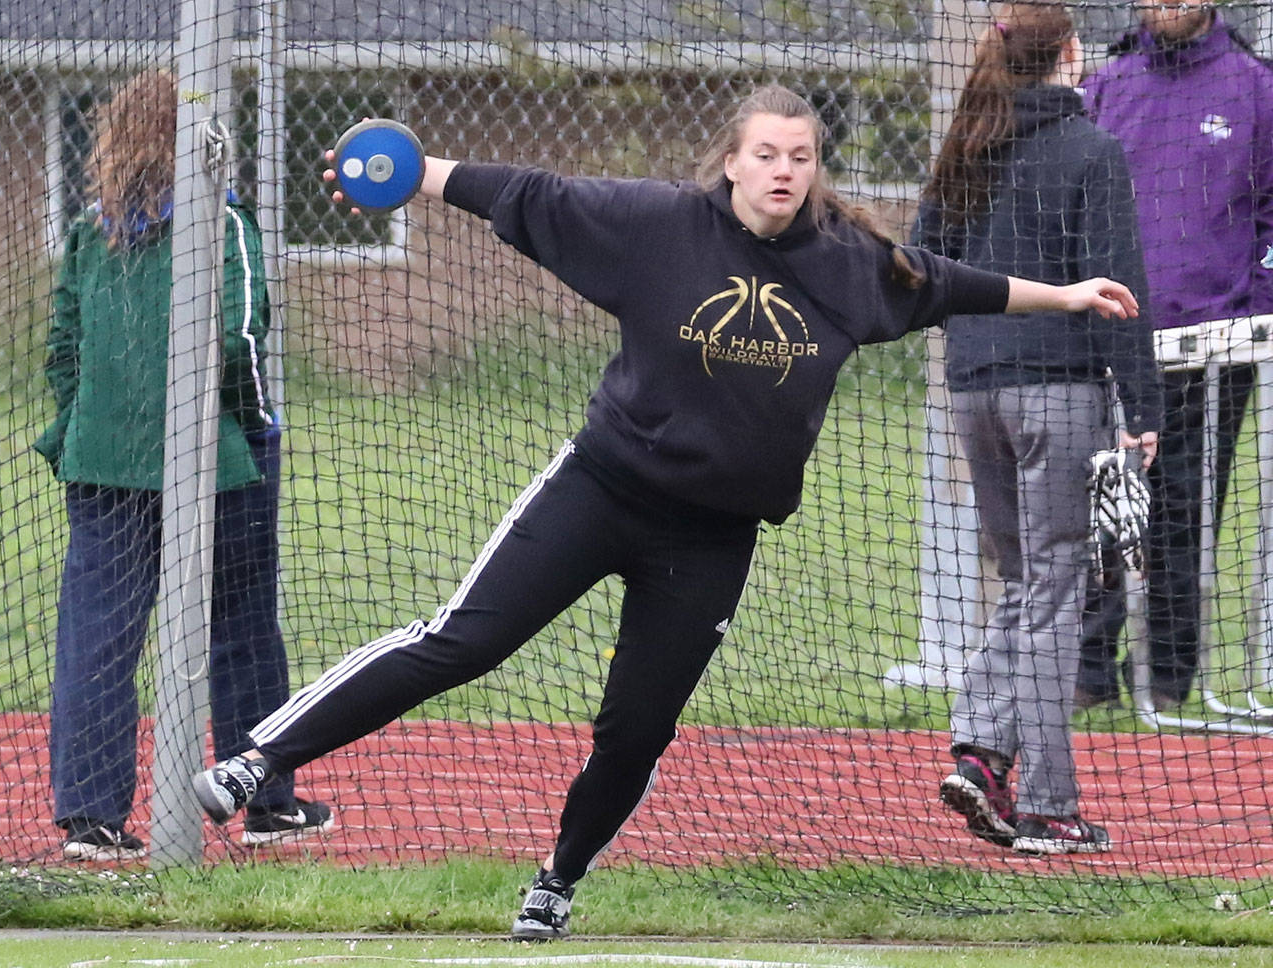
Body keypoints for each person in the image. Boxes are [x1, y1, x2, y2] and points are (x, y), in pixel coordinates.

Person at [190, 83, 1142, 937]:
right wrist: (410, 168)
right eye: (766, 153)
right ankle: (256, 760)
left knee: (637, 728)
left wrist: (1065, 294)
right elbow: (531, 195)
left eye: (801, 157)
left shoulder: (854, 266)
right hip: (602, 489)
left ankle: (557, 879)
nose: (783, 170)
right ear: (731, 161)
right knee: (462, 641)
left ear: (815, 171)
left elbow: (946, 284)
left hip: (713, 538)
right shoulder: (654, 226)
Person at [33, 69, 332, 861]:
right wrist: (246, 422)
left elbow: (63, 346)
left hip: (100, 459)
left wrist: (79, 426)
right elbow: (238, 336)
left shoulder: (90, 233)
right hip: (216, 460)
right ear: (200, 143)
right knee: (240, 626)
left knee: (97, 635)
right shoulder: (222, 224)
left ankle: (90, 821)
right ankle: (265, 801)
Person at [912, 3, 1162, 854]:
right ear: (1070, 55)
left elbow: (920, 263)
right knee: (1058, 592)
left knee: (1024, 583)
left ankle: (981, 756)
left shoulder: (968, 145)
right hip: (1058, 393)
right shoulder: (1093, 150)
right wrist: (1146, 408)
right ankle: (1049, 806)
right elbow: (1118, 286)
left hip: (972, 392)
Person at [1076, 0, 1273, 711]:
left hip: (1214, 354)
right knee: (1101, 505)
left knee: (1185, 515)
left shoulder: (1257, 88)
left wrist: (1252, 304)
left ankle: (1166, 674)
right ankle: (1090, 673)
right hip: (1112, 347)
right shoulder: (1106, 85)